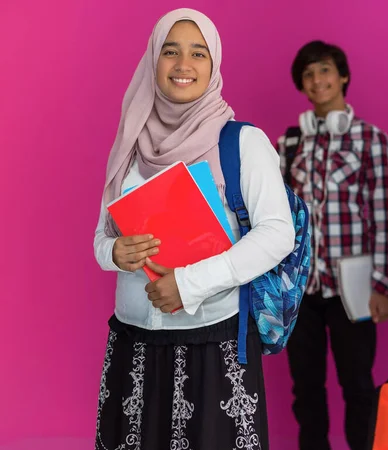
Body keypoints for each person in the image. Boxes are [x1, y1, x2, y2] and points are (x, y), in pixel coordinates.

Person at [93, 9, 294, 450]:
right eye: (171, 51)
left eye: (198, 53)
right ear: (153, 60)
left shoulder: (241, 142)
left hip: (214, 343)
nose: (184, 64)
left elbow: (278, 233)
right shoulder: (128, 144)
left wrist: (188, 284)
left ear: (213, 64)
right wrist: (114, 253)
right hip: (134, 344)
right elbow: (100, 238)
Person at [277, 40, 388, 450]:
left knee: (358, 386)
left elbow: (382, 213)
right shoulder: (289, 143)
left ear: (343, 76)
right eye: (309, 74)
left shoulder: (371, 139)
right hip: (302, 289)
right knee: (306, 390)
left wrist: (384, 285)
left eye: (325, 70)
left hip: (353, 289)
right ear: (302, 84)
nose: (318, 80)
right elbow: (279, 219)